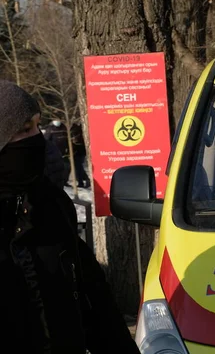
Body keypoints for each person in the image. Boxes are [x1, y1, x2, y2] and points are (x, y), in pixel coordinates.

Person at [0, 81, 140, 354]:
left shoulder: (50, 202)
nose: (36, 138)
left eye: (37, 126)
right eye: (24, 129)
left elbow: (93, 296)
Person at [45, 118, 71, 186]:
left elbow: (68, 139)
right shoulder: (50, 129)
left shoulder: (64, 128)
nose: (57, 121)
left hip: (64, 152)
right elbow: (46, 140)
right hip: (54, 153)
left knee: (67, 167)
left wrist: (68, 149)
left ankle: (64, 181)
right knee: (55, 168)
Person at [71, 122, 91, 188]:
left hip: (77, 151)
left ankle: (84, 181)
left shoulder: (75, 129)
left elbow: (76, 141)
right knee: (78, 167)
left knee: (79, 168)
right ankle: (82, 181)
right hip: (79, 151)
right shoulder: (79, 128)